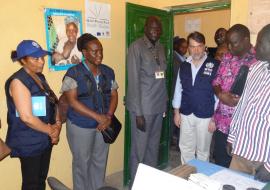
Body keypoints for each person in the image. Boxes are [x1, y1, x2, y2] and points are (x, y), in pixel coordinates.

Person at [61, 33, 118, 190]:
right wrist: (98, 117)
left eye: (101, 50)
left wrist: (108, 116)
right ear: (84, 53)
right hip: (80, 125)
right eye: (94, 51)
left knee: (100, 161)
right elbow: (72, 101)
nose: (99, 54)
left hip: (103, 125)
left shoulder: (108, 71)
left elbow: (114, 94)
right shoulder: (73, 73)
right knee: (82, 163)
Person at [5, 40, 61, 190]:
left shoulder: (40, 77)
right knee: (31, 184)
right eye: (36, 59)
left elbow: (53, 102)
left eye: (42, 57)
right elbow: (27, 117)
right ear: (23, 60)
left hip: (44, 138)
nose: (42, 62)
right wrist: (52, 131)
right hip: (28, 141)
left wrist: (57, 126)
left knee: (40, 179)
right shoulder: (18, 81)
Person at [126, 16, 167, 185]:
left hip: (157, 107)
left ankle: (149, 184)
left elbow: (162, 78)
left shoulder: (161, 47)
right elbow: (133, 80)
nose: (155, 31)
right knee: (139, 150)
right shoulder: (136, 47)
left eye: (158, 29)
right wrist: (138, 113)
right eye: (152, 28)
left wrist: (164, 105)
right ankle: (135, 184)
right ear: (145, 28)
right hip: (142, 109)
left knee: (152, 149)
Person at [227, 24, 270, 183]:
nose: (255, 46)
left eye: (260, 42)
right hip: (241, 152)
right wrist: (232, 137)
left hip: (263, 160)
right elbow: (242, 105)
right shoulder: (255, 68)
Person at [212, 24, 257, 168]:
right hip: (222, 124)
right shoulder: (226, 57)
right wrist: (220, 94)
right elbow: (216, 80)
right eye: (228, 43)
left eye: (234, 43)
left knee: (240, 172)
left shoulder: (259, 61)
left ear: (246, 40)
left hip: (244, 129)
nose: (230, 47)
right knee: (220, 163)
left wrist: (242, 100)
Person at [172, 31, 219, 164]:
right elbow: (178, 90)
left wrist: (215, 118)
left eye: (199, 46)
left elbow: (218, 96)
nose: (196, 50)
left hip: (206, 115)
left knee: (203, 151)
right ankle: (188, 176)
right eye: (192, 46)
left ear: (205, 47)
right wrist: (176, 112)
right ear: (188, 48)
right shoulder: (184, 65)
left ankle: (200, 180)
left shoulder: (215, 65)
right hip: (186, 113)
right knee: (185, 148)